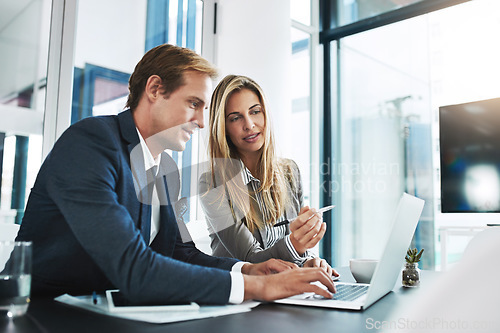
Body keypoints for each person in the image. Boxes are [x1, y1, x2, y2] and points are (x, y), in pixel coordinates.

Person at [16, 44, 335, 305]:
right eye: (193, 104)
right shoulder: (92, 142)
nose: (200, 121)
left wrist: (249, 270)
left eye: (204, 109)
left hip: (110, 311)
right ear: (155, 89)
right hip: (45, 313)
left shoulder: (163, 167)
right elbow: (133, 266)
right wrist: (256, 289)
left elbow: (179, 252)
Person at [199, 75, 336, 276]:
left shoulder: (290, 171)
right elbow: (252, 261)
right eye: (235, 118)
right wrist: (296, 244)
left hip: (287, 290)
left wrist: (309, 260)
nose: (249, 124)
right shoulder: (212, 183)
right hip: (246, 295)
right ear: (224, 128)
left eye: (255, 112)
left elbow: (297, 254)